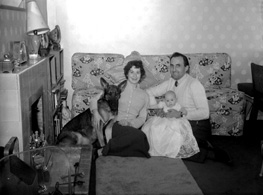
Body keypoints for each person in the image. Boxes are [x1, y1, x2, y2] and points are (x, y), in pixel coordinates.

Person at [146, 52, 232, 164]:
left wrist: (180, 114)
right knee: (155, 136)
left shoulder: (194, 84)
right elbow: (149, 92)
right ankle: (197, 144)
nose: (174, 69)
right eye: (171, 65)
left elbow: (205, 113)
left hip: (197, 125)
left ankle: (210, 152)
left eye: (178, 65)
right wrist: (157, 109)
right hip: (179, 123)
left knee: (172, 146)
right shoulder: (171, 82)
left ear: (186, 68)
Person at [91, 51, 150, 158]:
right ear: (127, 73)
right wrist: (95, 112)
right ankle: (109, 149)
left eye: (138, 72)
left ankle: (107, 149)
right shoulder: (117, 88)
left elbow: (142, 118)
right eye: (131, 72)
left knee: (141, 139)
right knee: (139, 138)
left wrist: (131, 123)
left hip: (130, 127)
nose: (134, 75)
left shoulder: (145, 95)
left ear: (141, 74)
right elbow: (94, 99)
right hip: (113, 124)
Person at [142, 90, 199, 158]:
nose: (170, 102)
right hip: (164, 119)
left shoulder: (177, 105)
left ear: (176, 99)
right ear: (164, 101)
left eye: (172, 100)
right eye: (167, 101)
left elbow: (183, 111)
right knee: (155, 127)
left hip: (174, 120)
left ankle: (171, 148)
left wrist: (182, 112)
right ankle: (158, 146)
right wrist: (159, 110)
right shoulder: (164, 104)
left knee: (174, 130)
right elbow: (157, 106)